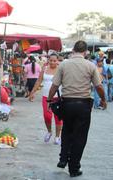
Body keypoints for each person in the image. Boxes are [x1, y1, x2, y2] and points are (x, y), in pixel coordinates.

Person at [47, 40, 106, 177]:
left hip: (67, 104)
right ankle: (74, 168)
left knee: (67, 131)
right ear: (85, 52)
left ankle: (63, 158)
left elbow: (54, 86)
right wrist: (103, 99)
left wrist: (49, 100)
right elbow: (99, 86)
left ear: (73, 49)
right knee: (80, 137)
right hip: (83, 105)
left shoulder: (64, 65)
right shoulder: (90, 66)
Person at [29, 53, 62, 145]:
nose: (52, 62)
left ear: (57, 61)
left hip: (58, 97)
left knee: (58, 117)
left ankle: (57, 137)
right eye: (51, 60)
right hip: (46, 97)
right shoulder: (44, 69)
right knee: (47, 116)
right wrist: (32, 92)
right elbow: (39, 81)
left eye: (54, 61)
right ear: (48, 60)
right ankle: (49, 131)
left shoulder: (61, 70)